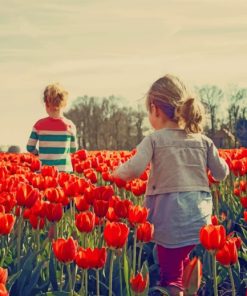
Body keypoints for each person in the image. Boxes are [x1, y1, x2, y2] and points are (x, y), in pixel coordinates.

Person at [113, 74, 229, 296]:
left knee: (171, 275)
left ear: (155, 109)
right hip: (199, 220)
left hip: (169, 219)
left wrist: (115, 173)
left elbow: (135, 169)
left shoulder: (154, 140)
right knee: (185, 261)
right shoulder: (203, 141)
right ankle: (190, 289)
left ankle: (177, 291)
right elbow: (222, 173)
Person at [26, 83, 77, 172]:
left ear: (46, 104)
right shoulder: (70, 126)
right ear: (64, 104)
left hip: (44, 170)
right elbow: (73, 149)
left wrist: (39, 154)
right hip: (64, 170)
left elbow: (30, 147)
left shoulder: (39, 125)